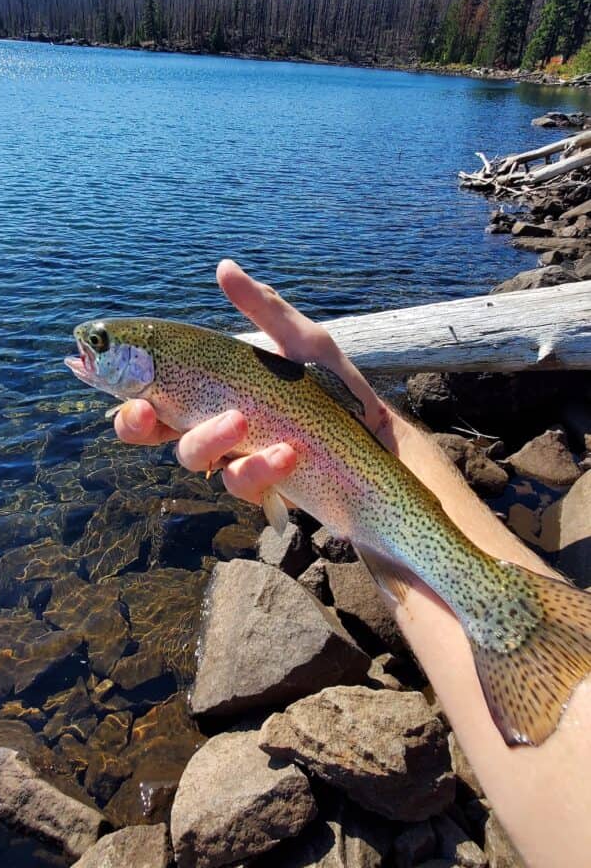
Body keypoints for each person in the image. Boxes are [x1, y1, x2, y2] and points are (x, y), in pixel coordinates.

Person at [113, 259, 591, 868]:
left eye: (102, 344)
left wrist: (352, 409)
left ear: (140, 359)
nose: (89, 350)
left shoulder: (165, 371)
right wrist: (371, 414)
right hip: (382, 493)